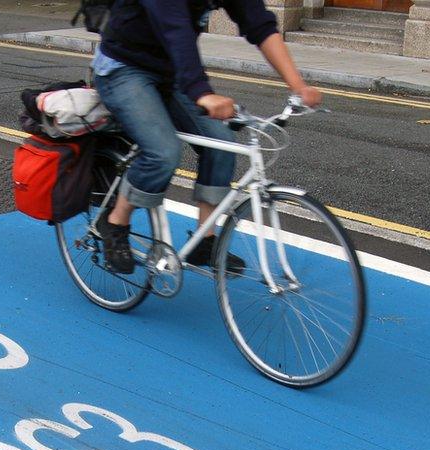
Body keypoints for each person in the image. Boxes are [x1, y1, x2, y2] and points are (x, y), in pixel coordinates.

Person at [92, 0, 322, 274]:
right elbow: (174, 29)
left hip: (170, 72)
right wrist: (202, 92)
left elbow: (259, 24)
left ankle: (205, 240)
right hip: (123, 67)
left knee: (222, 143)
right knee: (163, 152)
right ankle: (115, 223)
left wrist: (298, 86)